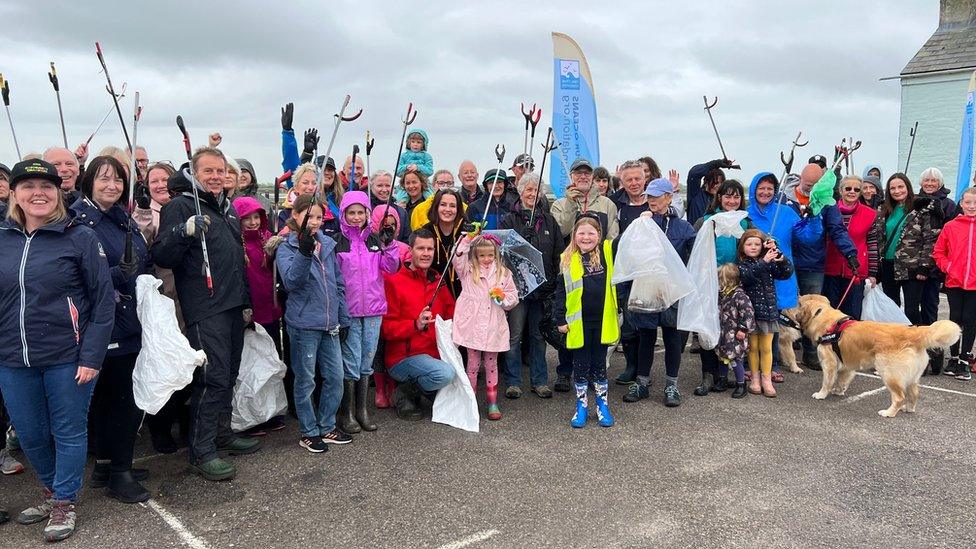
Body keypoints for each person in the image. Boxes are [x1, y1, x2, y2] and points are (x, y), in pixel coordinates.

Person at [0, 158, 114, 542]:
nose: (38, 193)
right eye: (28, 186)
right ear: (15, 193)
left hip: (68, 356)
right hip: (13, 359)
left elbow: (103, 302)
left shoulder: (79, 236)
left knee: (67, 430)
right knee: (30, 434)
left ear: (59, 193)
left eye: (47, 186)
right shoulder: (2, 237)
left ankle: (64, 500)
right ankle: (52, 491)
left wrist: (92, 356)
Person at [153, 147, 261, 481]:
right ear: (194, 173)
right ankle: (202, 451)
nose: (215, 177)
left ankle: (223, 434)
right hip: (205, 308)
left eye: (220, 171)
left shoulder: (227, 210)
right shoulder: (181, 206)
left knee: (228, 375)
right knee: (211, 380)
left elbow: (235, 260)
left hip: (232, 306)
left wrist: (246, 303)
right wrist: (181, 231)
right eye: (208, 171)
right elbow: (162, 254)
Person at [70, 156, 152, 504]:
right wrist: (119, 274)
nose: (112, 186)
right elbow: (80, 277)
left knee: (116, 398)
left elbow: (142, 259)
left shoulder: (122, 219)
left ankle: (109, 464)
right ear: (88, 181)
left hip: (130, 320)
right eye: (103, 179)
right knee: (118, 401)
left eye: (117, 180)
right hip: (103, 325)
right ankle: (119, 470)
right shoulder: (78, 221)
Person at [276, 195, 352, 450]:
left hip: (330, 324)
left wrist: (343, 317)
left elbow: (338, 283)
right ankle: (309, 431)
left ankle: (327, 425)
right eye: (310, 216)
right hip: (304, 325)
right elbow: (291, 281)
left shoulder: (329, 244)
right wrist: (305, 253)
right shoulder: (287, 247)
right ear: (296, 216)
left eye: (320, 217)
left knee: (335, 376)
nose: (315, 222)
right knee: (306, 379)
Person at [622, 179, 696, 407]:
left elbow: (694, 257)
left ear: (669, 197)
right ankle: (642, 382)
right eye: (649, 196)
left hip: (672, 290)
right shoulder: (642, 222)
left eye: (656, 196)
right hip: (647, 288)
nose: (652, 200)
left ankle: (671, 385)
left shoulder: (683, 227)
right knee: (646, 336)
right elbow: (625, 250)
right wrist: (638, 226)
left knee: (673, 338)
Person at [778, 164, 857, 370]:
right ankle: (780, 353)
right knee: (784, 308)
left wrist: (850, 253)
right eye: (807, 184)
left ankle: (811, 352)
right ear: (799, 180)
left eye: (815, 186)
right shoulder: (784, 200)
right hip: (785, 262)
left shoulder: (826, 203)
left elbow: (837, 229)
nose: (810, 189)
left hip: (813, 263)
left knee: (813, 311)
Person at [334, 191, 400, 434]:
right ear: (343, 214)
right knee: (350, 360)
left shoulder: (375, 240)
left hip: (373, 310)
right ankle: (347, 412)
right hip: (350, 311)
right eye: (351, 212)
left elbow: (391, 267)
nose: (356, 217)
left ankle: (362, 410)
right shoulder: (337, 242)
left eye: (360, 212)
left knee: (366, 360)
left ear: (367, 214)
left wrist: (389, 244)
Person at [747, 172, 819, 383]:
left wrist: (814, 217)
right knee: (752, 320)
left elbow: (807, 237)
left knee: (775, 320)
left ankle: (773, 364)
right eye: (761, 187)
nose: (765, 192)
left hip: (781, 274)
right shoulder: (746, 214)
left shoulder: (786, 212)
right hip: (755, 275)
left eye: (770, 188)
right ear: (753, 189)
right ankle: (750, 364)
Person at [381, 229, 457, 421]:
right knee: (445, 374)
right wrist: (415, 324)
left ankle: (421, 390)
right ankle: (404, 391)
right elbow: (386, 329)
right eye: (420, 248)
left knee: (457, 378)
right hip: (403, 357)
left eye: (430, 249)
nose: (426, 253)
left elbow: (451, 312)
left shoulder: (438, 281)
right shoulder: (394, 282)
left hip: (434, 354)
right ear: (411, 251)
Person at [499, 172, 562, 399]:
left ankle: (539, 381)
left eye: (536, 190)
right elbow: (503, 253)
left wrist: (553, 281)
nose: (532, 194)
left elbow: (556, 253)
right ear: (520, 191)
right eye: (528, 190)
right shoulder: (509, 219)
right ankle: (513, 381)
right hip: (518, 289)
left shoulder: (548, 220)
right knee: (515, 336)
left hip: (542, 289)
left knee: (538, 337)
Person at [554, 215, 619, 428]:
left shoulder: (608, 252)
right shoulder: (567, 258)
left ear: (599, 236)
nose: (586, 237)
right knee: (580, 365)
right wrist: (560, 319)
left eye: (591, 233)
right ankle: (581, 406)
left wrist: (644, 219)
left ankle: (602, 405)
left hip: (602, 321)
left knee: (600, 365)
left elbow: (625, 241)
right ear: (574, 235)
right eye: (581, 233)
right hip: (578, 324)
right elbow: (561, 292)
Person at [452, 233, 519, 420]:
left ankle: (492, 401)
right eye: (482, 255)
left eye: (490, 255)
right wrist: (466, 241)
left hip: (493, 324)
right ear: (475, 255)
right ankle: (470, 400)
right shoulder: (467, 270)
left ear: (496, 254)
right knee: (472, 364)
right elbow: (457, 257)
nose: (486, 259)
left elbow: (513, 296)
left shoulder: (504, 273)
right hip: (472, 323)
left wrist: (503, 298)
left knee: (491, 364)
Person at [736, 229, 794, 397]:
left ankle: (766, 379)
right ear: (742, 247)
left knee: (767, 347)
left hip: (768, 312)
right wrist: (763, 261)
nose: (753, 247)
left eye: (757, 244)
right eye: (749, 244)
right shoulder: (742, 264)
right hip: (750, 315)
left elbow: (786, 272)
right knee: (753, 348)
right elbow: (747, 277)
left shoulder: (770, 261)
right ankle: (754, 378)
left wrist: (778, 255)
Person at [932, 187, 976, 381]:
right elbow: (938, 252)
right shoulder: (951, 226)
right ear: (961, 203)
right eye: (968, 202)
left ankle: (965, 360)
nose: (972, 206)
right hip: (955, 282)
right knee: (954, 319)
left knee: (970, 320)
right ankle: (954, 358)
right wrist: (949, 267)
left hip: (974, 284)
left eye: (975, 203)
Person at [821, 175, 879, 319]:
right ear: (841, 191)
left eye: (856, 189)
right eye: (848, 188)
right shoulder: (827, 210)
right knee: (830, 312)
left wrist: (873, 272)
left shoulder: (870, 214)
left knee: (852, 313)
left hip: (855, 270)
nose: (852, 192)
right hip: (830, 268)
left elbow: (872, 244)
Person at [232, 197, 284, 353]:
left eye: (256, 217)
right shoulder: (234, 242)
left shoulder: (267, 237)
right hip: (248, 305)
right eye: (246, 218)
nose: (253, 222)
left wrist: (278, 247)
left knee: (272, 348)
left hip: (269, 302)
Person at [551, 158, 620, 241]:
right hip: (570, 254)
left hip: (599, 254)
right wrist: (570, 204)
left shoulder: (608, 204)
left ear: (592, 176)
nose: (583, 176)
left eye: (587, 173)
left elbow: (612, 240)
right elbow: (561, 232)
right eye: (578, 173)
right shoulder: (558, 205)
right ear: (571, 176)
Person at [875, 174, 915, 308]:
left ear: (908, 187)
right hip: (888, 263)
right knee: (891, 305)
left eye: (900, 187)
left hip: (910, 265)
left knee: (912, 308)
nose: (897, 191)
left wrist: (924, 267)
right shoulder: (883, 209)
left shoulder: (919, 208)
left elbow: (928, 238)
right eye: (892, 188)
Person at [716, 263, 755, 399]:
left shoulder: (739, 296)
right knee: (722, 357)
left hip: (735, 334)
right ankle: (722, 379)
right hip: (723, 334)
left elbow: (748, 313)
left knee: (735, 359)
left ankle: (741, 383)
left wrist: (743, 329)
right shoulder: (722, 295)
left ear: (730, 280)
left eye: (722, 280)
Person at [420, 189, 467, 298]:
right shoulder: (426, 231)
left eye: (452, 206)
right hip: (434, 291)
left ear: (458, 209)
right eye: (443, 205)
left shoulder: (466, 231)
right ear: (436, 207)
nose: (447, 209)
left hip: (464, 293)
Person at [686, 157, 735, 225]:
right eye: (714, 182)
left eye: (720, 183)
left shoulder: (722, 201)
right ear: (706, 182)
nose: (717, 186)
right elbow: (694, 173)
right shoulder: (695, 194)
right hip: (695, 234)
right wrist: (716, 163)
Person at [368, 170, 410, 242]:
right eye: (379, 185)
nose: (384, 189)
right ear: (371, 187)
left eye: (387, 185)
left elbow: (406, 240)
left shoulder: (401, 212)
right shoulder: (365, 210)